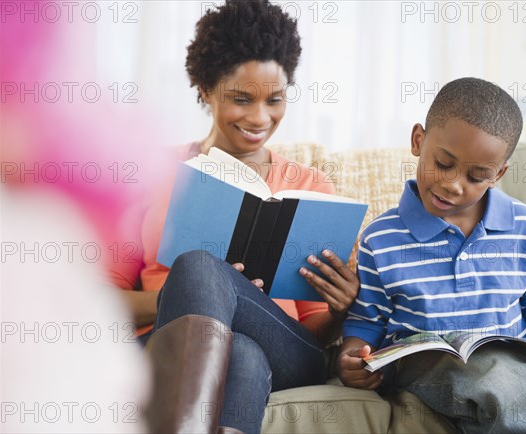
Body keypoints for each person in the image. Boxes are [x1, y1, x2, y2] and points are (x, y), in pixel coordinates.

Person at [114, 1, 359, 433]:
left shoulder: (311, 185)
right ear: (206, 90)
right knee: (235, 342)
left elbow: (312, 331)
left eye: (275, 100)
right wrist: (198, 294)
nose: (260, 118)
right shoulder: (147, 175)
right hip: (163, 346)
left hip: (288, 352)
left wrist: (340, 312)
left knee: (204, 276)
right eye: (241, 99)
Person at [337, 77, 526, 433]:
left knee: (502, 381)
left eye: (476, 176)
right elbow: (367, 321)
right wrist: (351, 358)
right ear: (418, 140)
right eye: (445, 163)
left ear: (498, 174)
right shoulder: (381, 238)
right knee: (499, 379)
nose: (453, 184)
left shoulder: (524, 227)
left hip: (508, 364)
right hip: (422, 367)